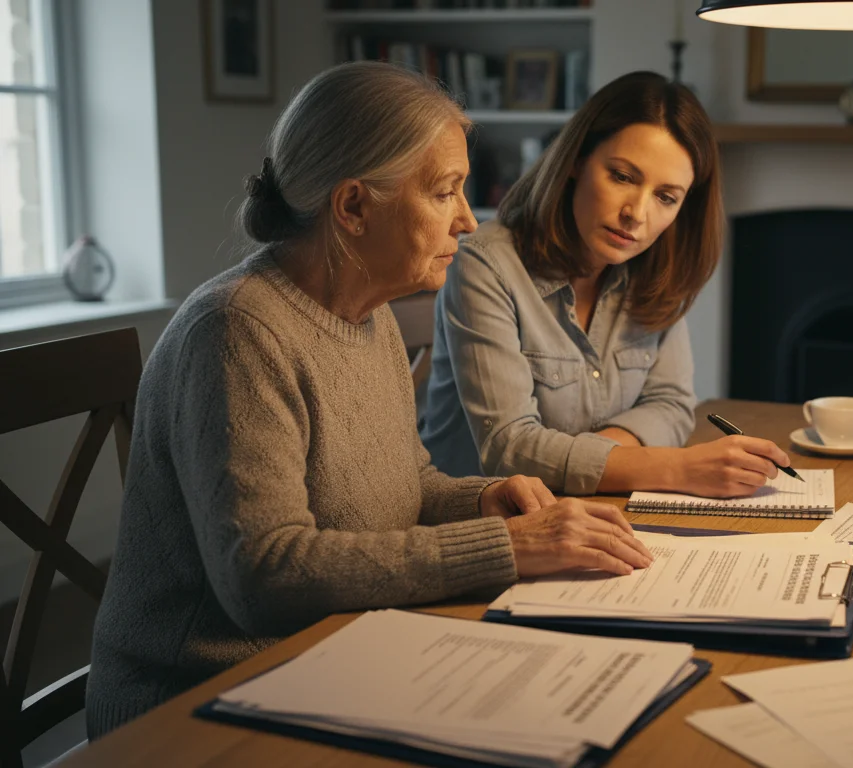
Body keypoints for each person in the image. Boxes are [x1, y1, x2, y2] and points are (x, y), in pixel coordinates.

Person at [86, 62, 651, 738]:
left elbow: (405, 482)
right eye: (445, 192)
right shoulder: (236, 331)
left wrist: (483, 499)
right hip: (194, 707)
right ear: (353, 207)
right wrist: (500, 546)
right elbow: (263, 577)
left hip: (332, 658)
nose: (469, 221)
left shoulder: (368, 312)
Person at [418, 71, 792, 498]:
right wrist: (675, 468)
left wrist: (599, 461)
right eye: (622, 176)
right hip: (480, 526)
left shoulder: (654, 270)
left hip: (593, 507)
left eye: (665, 197)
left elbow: (671, 404)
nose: (637, 213)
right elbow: (511, 448)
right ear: (577, 160)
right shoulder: (486, 263)